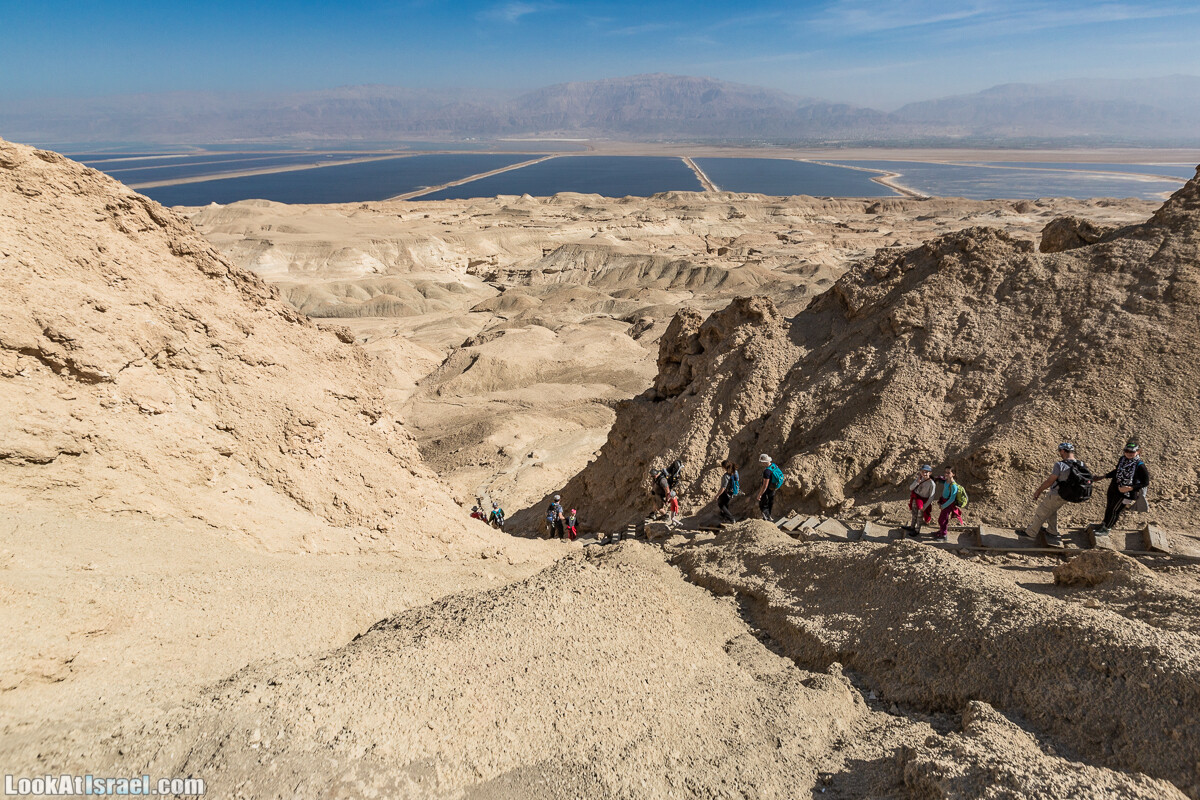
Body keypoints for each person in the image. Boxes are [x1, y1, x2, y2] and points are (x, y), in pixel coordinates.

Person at [1020, 443, 1081, 548]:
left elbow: (1050, 481)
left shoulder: (1060, 465)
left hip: (1057, 494)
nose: (1059, 453)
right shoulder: (1080, 464)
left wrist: (1039, 490)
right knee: (1052, 510)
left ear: (1063, 451)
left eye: (1059, 451)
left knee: (1041, 511)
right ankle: (1052, 531)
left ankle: (1031, 533)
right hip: (1068, 495)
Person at [1093, 441, 1150, 536]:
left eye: (1132, 452)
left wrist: (1130, 488)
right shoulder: (1122, 460)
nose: (1129, 453)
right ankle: (1104, 524)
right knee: (1109, 507)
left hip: (1127, 493)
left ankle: (1107, 529)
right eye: (1127, 451)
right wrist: (1104, 476)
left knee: (1115, 510)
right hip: (1115, 487)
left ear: (1138, 452)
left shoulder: (1140, 466)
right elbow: (1117, 471)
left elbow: (1145, 482)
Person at [933, 466, 964, 541]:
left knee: (943, 520)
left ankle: (944, 535)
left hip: (948, 504)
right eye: (945, 472)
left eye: (948, 473)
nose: (946, 474)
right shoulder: (946, 481)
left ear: (953, 474)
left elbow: (952, 498)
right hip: (944, 502)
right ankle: (941, 531)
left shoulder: (953, 486)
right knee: (942, 518)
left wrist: (944, 506)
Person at [905, 464, 936, 536]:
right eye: (923, 472)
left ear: (930, 473)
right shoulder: (919, 479)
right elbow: (911, 488)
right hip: (916, 497)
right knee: (914, 513)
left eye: (926, 472)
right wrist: (917, 482)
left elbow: (931, 496)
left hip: (924, 501)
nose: (924, 474)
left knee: (920, 516)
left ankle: (917, 530)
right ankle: (912, 527)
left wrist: (925, 506)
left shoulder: (932, 484)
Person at [756, 454, 784, 522]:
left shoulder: (767, 471)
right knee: (770, 502)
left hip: (768, 489)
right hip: (773, 487)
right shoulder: (774, 465)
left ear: (765, 462)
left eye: (762, 462)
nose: (761, 463)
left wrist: (759, 494)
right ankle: (769, 516)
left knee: (763, 504)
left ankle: (767, 519)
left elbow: (765, 486)